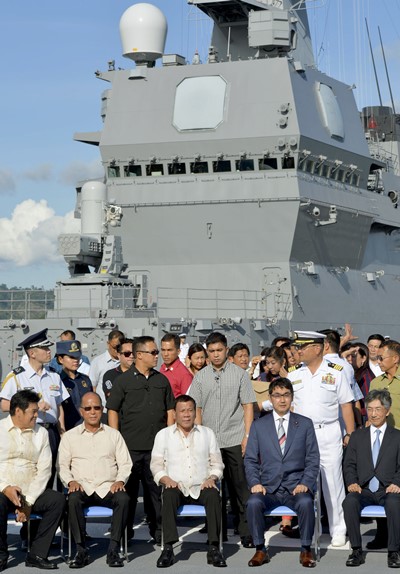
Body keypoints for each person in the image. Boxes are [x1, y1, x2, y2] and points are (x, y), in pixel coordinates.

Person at [287, 331, 355, 547]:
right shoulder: (294, 375)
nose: (298, 351)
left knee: (333, 482)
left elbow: (346, 404)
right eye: (297, 347)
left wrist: (350, 433)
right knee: (304, 482)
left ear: (317, 348)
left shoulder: (336, 372)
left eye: (302, 347)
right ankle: (311, 528)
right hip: (302, 435)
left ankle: (338, 528)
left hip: (328, 432)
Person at [188, 331, 256, 548]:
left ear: (227, 350)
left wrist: (247, 436)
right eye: (212, 351)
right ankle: (217, 531)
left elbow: (247, 406)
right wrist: (199, 436)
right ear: (207, 353)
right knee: (213, 488)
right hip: (209, 441)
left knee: (239, 487)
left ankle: (245, 530)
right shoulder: (200, 377)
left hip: (234, 438)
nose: (216, 355)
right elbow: (197, 407)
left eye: (219, 350)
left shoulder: (240, 374)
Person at [106, 336, 175, 543]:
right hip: (130, 449)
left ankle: (159, 532)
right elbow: (113, 410)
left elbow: (170, 409)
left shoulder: (161, 380)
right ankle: (126, 533)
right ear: (139, 355)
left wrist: (170, 438)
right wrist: (115, 440)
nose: (157, 356)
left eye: (157, 352)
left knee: (156, 493)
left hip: (156, 449)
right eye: (153, 352)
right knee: (129, 493)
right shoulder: (123, 382)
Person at [245, 378, 320, 568]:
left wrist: (306, 482)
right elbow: (251, 459)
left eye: (286, 395)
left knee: (305, 502)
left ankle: (305, 549)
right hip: (268, 487)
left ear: (292, 397)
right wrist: (255, 482)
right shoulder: (259, 425)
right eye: (277, 395)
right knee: (253, 502)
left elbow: (312, 459)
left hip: (296, 486)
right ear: (270, 397)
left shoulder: (304, 424)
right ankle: (260, 549)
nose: (282, 400)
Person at [57, 392, 132, 568]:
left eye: (97, 408)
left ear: (102, 410)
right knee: (72, 499)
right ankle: (81, 550)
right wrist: (70, 482)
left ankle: (113, 550)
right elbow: (62, 466)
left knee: (124, 499)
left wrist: (120, 481)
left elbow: (125, 464)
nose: (93, 412)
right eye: (88, 408)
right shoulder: (70, 436)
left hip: (108, 487)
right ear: (81, 411)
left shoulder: (113, 435)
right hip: (81, 487)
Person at [150, 395, 226, 568]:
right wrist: (165, 478)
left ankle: (214, 548)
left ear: (195, 412)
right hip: (176, 485)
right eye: (182, 411)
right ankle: (168, 548)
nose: (186, 415)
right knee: (168, 495)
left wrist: (212, 477)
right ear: (175, 414)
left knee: (214, 494)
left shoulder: (207, 433)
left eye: (190, 410)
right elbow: (155, 465)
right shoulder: (163, 435)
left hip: (202, 484)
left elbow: (217, 464)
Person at [0, 390, 65, 571]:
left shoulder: (41, 433)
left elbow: (44, 470)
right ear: (18, 411)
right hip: (3, 489)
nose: (37, 415)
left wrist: (27, 500)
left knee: (58, 500)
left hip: (31, 489)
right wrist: (5, 488)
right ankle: (0, 555)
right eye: (33, 411)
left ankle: (37, 554)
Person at [0, 328, 69, 489]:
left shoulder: (54, 376)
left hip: (50, 432)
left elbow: (59, 407)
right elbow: (4, 404)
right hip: (27, 432)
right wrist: (33, 406)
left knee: (49, 472)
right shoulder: (17, 376)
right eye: (44, 348)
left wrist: (62, 431)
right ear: (32, 353)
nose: (48, 351)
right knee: (28, 473)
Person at [342, 389, 400, 568]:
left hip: (388, 488)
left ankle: (394, 552)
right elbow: (349, 464)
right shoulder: (357, 436)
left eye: (378, 409)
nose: (373, 414)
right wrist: (352, 482)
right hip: (363, 489)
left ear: (387, 411)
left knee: (394, 503)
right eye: (370, 409)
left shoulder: (397, 436)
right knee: (349, 502)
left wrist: (397, 483)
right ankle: (356, 550)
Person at [56, 340, 93, 431]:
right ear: (61, 359)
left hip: (86, 428)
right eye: (71, 357)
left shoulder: (85, 380)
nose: (75, 360)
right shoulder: (57, 381)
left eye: (77, 357)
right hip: (68, 429)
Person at [88, 330, 125, 410]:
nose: (116, 350)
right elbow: (92, 387)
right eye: (114, 347)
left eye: (119, 347)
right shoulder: (98, 362)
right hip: (104, 409)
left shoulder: (127, 361)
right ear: (108, 343)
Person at [160, 333, 193, 398]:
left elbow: (188, 403)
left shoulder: (184, 375)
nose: (166, 354)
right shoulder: (162, 368)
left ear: (178, 351)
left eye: (170, 350)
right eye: (163, 350)